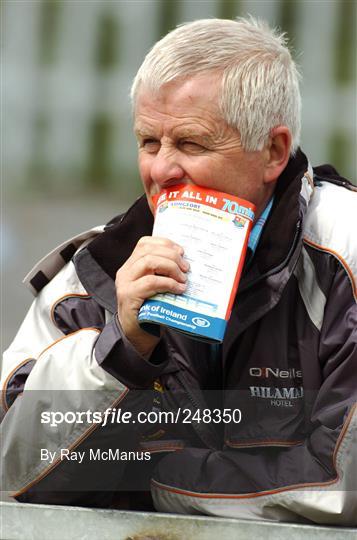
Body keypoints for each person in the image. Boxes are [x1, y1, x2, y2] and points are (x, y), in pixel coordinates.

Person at [1, 17, 356, 525]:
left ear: (274, 151)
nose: (162, 170)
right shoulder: (92, 275)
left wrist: (158, 488)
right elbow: (15, 472)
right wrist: (119, 350)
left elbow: (342, 484)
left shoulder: (345, 251)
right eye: (149, 142)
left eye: (191, 144)